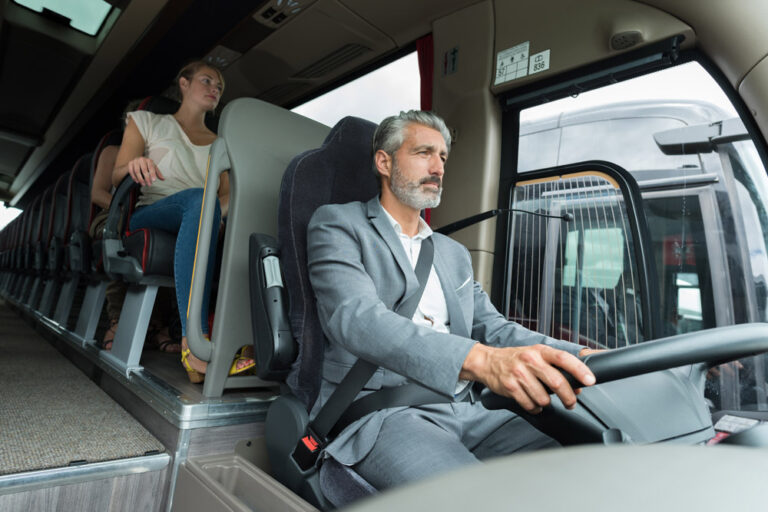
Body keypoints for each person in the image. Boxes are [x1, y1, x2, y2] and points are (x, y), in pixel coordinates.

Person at [306, 110, 599, 489]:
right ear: (384, 162)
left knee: (590, 462)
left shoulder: (452, 253)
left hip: (471, 408)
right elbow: (356, 318)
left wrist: (582, 356)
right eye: (424, 153)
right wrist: (481, 361)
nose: (438, 167)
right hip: (383, 411)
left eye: (443, 157)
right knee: (471, 497)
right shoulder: (339, 224)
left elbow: (495, 329)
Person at [112, 60, 253, 383]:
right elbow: (116, 176)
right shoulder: (147, 121)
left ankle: (246, 343)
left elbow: (228, 195)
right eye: (207, 80)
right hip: (153, 212)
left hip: (200, 213)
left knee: (218, 212)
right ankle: (196, 348)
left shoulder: (221, 144)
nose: (215, 89)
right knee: (199, 199)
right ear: (184, 83)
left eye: (219, 86)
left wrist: (215, 215)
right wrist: (135, 164)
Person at [89, 101, 178, 352]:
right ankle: (117, 319)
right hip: (111, 214)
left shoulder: (164, 152)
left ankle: (159, 324)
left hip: (146, 213)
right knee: (124, 234)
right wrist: (126, 209)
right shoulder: (113, 151)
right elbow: (97, 193)